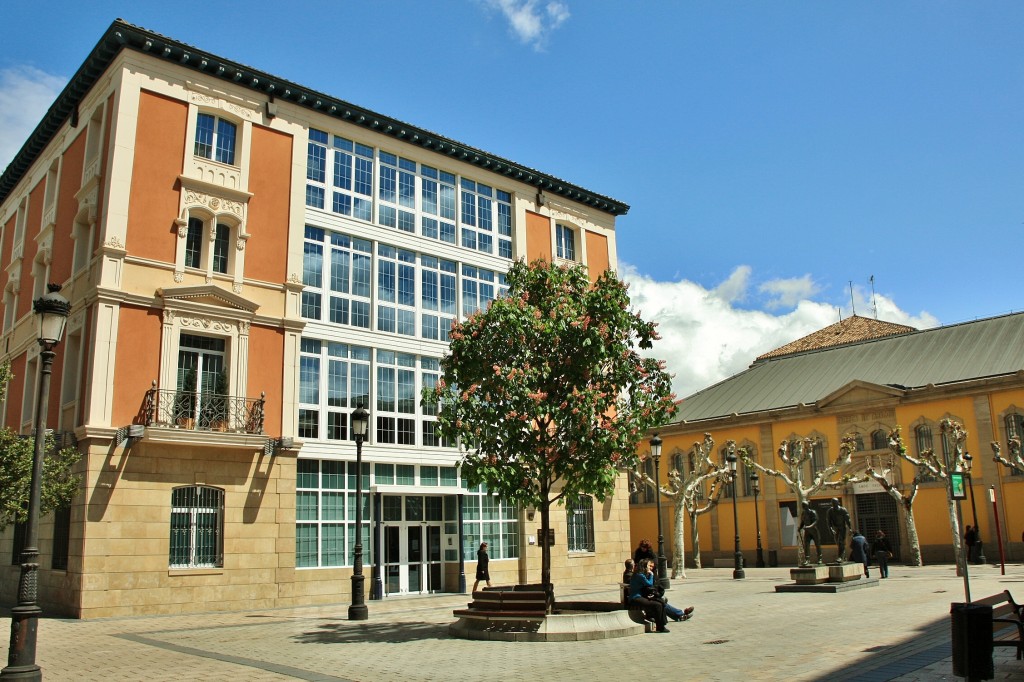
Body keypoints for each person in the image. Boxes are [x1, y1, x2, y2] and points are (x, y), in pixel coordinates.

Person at [628, 558, 679, 632]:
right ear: (644, 566)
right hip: (635, 598)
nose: (650, 567)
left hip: (640, 596)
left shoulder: (641, 574)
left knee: (661, 602)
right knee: (657, 605)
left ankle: (662, 625)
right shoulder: (639, 575)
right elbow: (649, 583)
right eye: (648, 565)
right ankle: (660, 627)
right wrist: (651, 575)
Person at [827, 498, 853, 562]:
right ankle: (843, 556)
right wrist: (831, 529)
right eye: (832, 503)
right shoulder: (830, 511)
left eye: (835, 503)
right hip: (835, 528)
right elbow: (828, 521)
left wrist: (850, 528)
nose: (833, 504)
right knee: (838, 543)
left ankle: (840, 557)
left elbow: (847, 519)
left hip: (842, 528)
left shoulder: (843, 510)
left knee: (840, 541)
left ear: (838, 503)